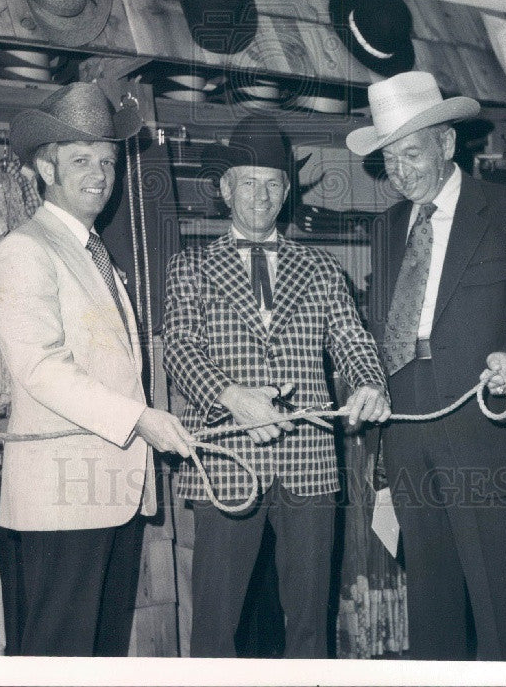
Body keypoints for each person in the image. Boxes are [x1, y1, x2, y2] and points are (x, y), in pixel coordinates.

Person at [347, 70, 506, 661]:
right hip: (408, 427)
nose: (401, 171)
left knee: (500, 600)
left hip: (481, 426)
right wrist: (367, 382)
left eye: (411, 153)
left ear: (446, 143)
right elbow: (377, 330)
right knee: (431, 598)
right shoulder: (385, 229)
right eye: (389, 159)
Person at [162, 114, 391, 658]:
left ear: (286, 192)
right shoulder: (189, 266)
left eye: (272, 184)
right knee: (216, 623)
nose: (261, 196)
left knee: (311, 619)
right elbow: (178, 348)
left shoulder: (320, 267)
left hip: (309, 460)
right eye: (248, 182)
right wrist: (233, 397)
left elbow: (351, 338)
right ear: (225, 189)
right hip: (226, 458)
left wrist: (370, 382)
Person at [0, 82, 192, 656]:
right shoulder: (26, 249)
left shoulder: (92, 250)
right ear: (45, 168)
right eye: (81, 160)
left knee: (99, 653)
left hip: (111, 491)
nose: (100, 173)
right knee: (57, 654)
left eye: (107, 160)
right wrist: (140, 420)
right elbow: (40, 366)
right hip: (62, 500)